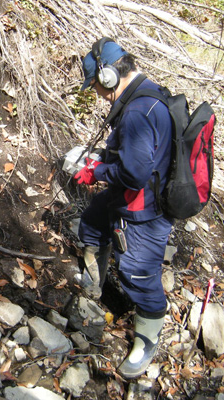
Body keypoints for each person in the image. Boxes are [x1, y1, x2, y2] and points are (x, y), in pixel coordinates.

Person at [74, 37, 173, 379]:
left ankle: (147, 339)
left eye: (98, 89)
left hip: (145, 208)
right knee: (91, 222)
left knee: (138, 274)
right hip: (132, 193)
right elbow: (135, 155)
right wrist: (103, 159)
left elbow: (134, 174)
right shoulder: (146, 94)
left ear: (108, 78)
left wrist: (95, 172)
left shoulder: (135, 113)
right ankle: (94, 284)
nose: (100, 96)